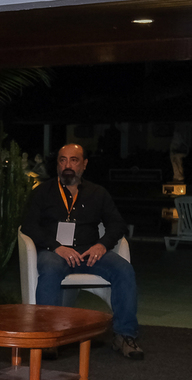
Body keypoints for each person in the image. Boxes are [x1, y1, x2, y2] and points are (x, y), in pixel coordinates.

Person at [20, 143, 142, 360]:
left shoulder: (98, 193)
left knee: (124, 269)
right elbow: (29, 226)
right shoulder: (42, 192)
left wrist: (102, 244)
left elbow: (117, 224)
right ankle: (48, 337)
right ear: (57, 164)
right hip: (55, 252)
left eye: (74, 160)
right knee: (49, 268)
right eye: (62, 160)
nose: (67, 165)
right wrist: (56, 247)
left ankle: (125, 335)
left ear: (84, 164)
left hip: (90, 252)